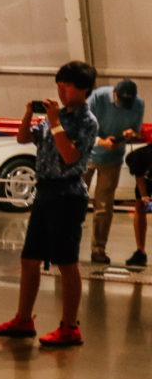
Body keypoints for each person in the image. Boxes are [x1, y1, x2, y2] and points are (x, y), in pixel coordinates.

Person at [0, 61, 99, 348]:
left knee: (66, 262)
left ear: (83, 89)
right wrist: (28, 115)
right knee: (29, 258)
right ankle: (24, 319)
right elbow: (24, 138)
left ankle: (70, 326)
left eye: (67, 85)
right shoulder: (56, 116)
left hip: (68, 195)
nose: (61, 91)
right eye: (59, 85)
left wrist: (55, 123)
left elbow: (71, 157)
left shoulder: (87, 122)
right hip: (45, 193)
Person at [83, 79, 145, 264]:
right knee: (74, 201)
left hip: (112, 159)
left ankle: (98, 250)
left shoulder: (138, 104)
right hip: (85, 156)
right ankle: (63, 245)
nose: (124, 106)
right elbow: (82, 128)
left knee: (104, 207)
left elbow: (138, 132)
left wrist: (131, 134)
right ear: (114, 94)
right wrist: (101, 141)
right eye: (121, 101)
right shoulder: (97, 97)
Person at [124, 143, 152, 267]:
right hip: (147, 175)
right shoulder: (139, 158)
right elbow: (139, 179)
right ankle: (140, 251)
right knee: (140, 206)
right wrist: (144, 196)